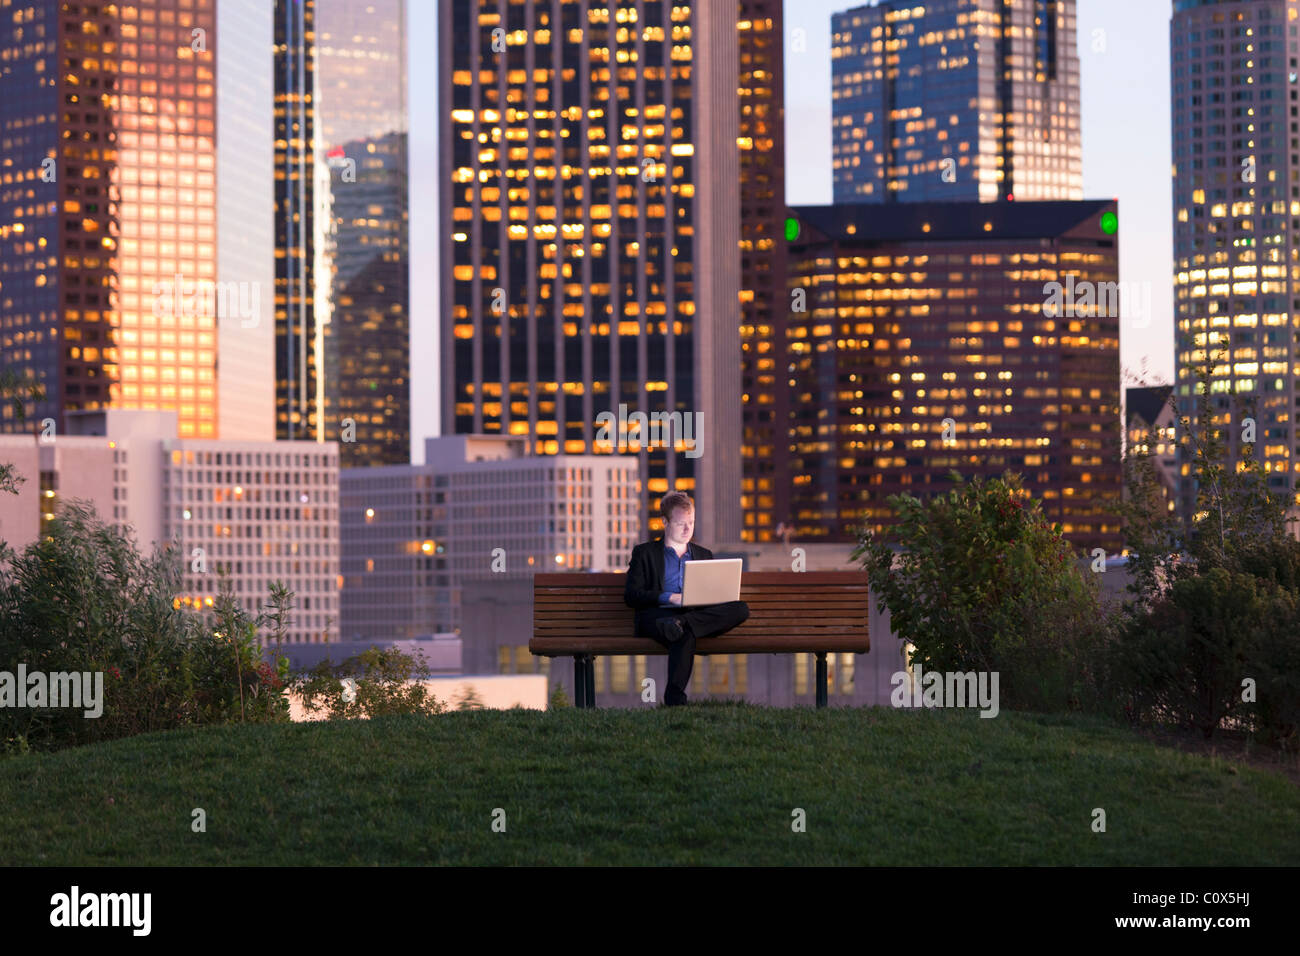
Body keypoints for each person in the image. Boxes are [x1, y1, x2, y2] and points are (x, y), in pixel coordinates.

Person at [623, 490, 749, 706]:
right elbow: (632, 595)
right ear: (665, 521)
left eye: (691, 522)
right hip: (657, 616)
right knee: (684, 634)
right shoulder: (645, 553)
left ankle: (682, 624)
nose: (688, 528)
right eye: (681, 523)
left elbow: (713, 593)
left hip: (692, 615)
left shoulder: (703, 554)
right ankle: (675, 700)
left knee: (740, 608)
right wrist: (669, 597)